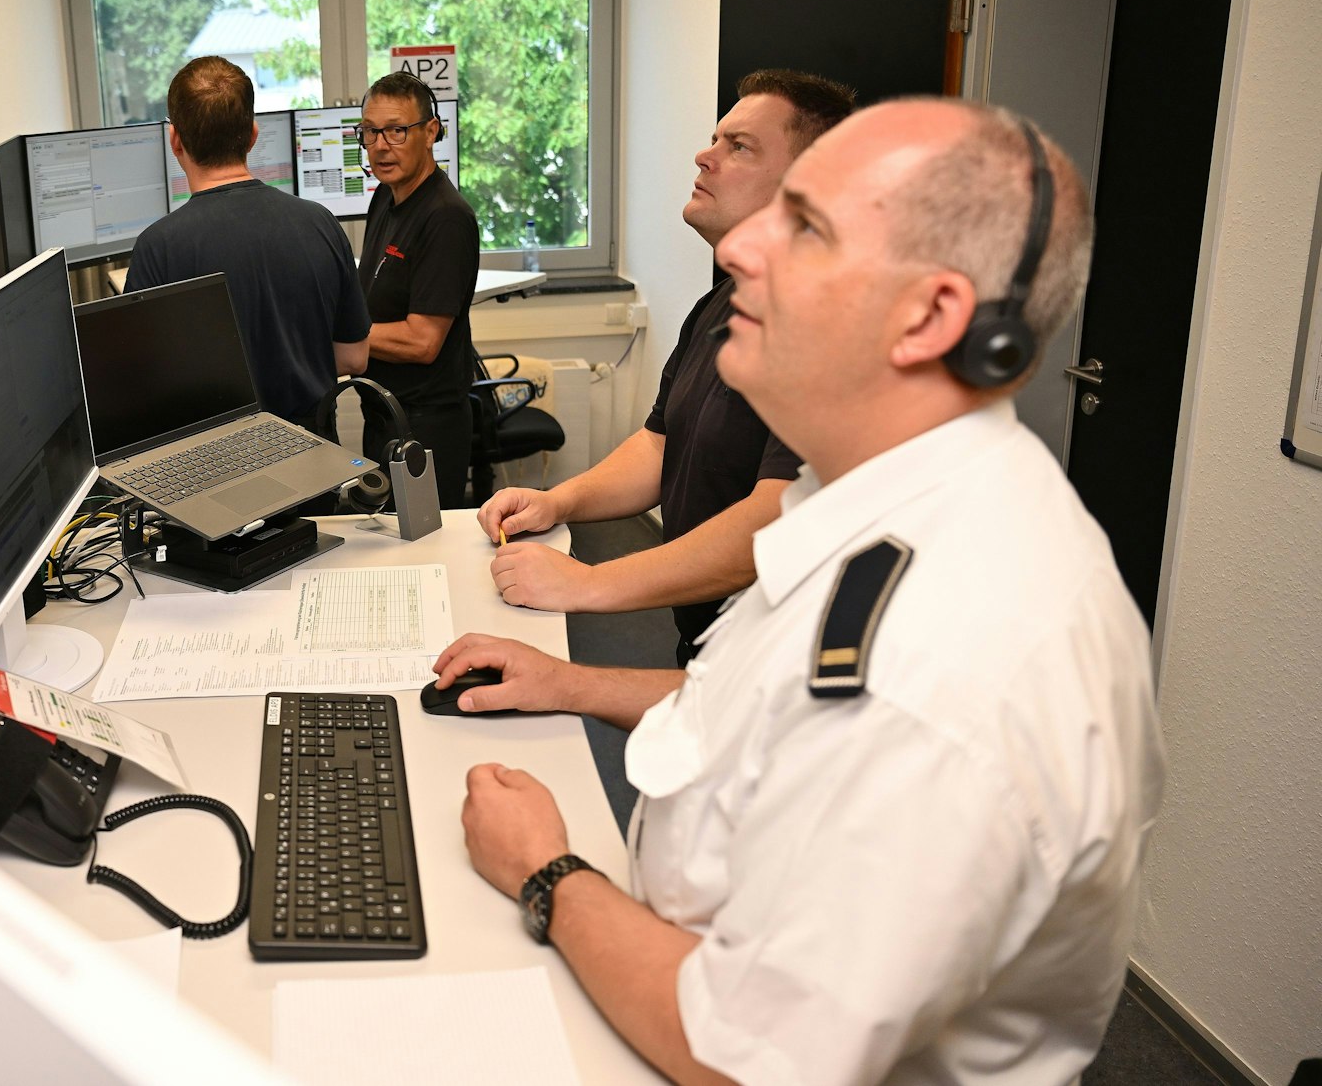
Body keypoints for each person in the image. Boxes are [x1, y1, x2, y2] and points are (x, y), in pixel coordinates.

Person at [436, 99, 1165, 1084]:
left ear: (929, 317)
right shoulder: (867, 496)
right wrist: (570, 684)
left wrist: (546, 871)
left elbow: (745, 1058)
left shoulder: (943, 665)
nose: (742, 247)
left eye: (805, 226)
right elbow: (770, 714)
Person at [479, 70, 854, 665]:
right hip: (706, 638)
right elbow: (659, 446)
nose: (705, 157)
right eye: (715, 139)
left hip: (779, 656)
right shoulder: (720, 303)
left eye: (739, 147)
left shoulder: (830, 324)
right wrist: (559, 501)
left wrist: (589, 583)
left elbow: (778, 516)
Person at [126, 56, 368, 432]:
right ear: (253, 135)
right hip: (317, 452)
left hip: (215, 457)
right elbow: (354, 358)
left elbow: (143, 386)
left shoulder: (158, 248)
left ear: (175, 140)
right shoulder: (322, 223)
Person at [356, 71, 480, 507]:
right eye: (370, 131)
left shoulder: (446, 217)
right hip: (383, 416)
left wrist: (342, 340)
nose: (380, 145)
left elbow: (423, 341)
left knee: (422, 543)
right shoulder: (385, 197)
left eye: (396, 130)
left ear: (430, 133)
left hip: (425, 428)